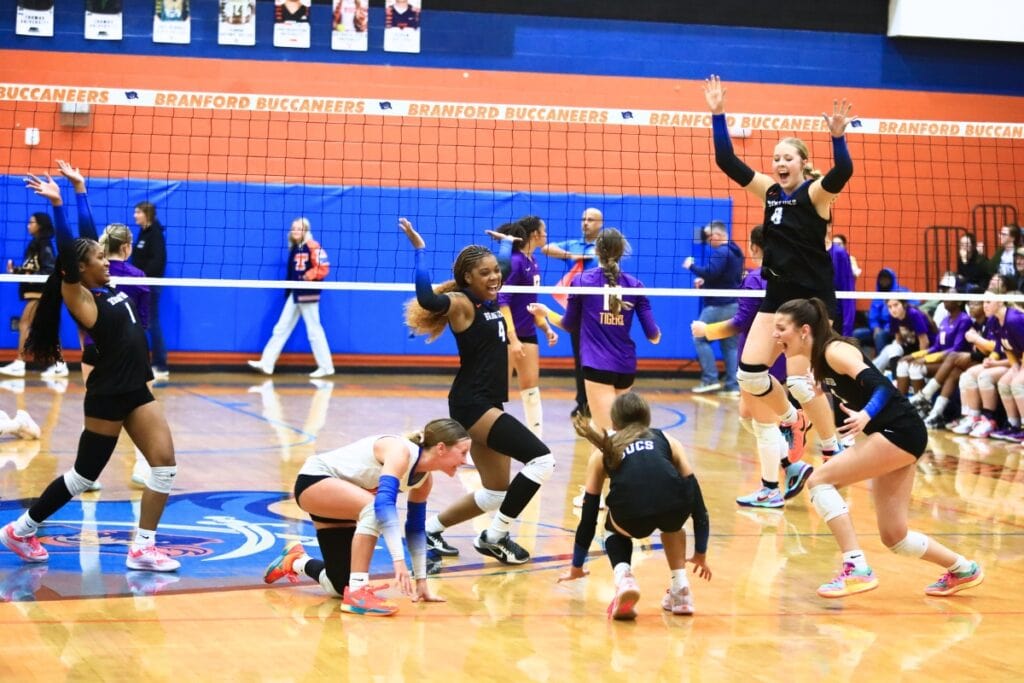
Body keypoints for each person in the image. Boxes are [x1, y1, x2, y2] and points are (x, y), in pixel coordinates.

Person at [1, 171, 179, 573]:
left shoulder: (105, 284)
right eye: (98, 258)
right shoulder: (79, 295)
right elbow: (72, 250)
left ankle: (143, 548)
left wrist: (80, 190)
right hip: (109, 393)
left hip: (136, 387)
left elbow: (85, 242)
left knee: (164, 464)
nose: (106, 259)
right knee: (84, 475)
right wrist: (58, 204)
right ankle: (20, 529)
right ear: (79, 269)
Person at [704, 74, 853, 505]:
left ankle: (831, 448)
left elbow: (843, 171)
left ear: (803, 164)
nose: (778, 163)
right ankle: (791, 420)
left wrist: (837, 138)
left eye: (787, 157)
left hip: (810, 302)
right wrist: (718, 115)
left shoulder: (816, 194)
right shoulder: (769, 193)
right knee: (749, 375)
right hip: (776, 295)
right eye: (775, 158)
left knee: (804, 382)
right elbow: (727, 161)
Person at [775, 297, 983, 598]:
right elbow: (842, 385)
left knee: (819, 481)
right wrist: (821, 387)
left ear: (804, 330)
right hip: (900, 433)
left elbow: (881, 386)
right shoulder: (820, 360)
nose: (774, 335)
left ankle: (856, 567)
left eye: (781, 328)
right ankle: (963, 568)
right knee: (895, 536)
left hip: (898, 431)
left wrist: (866, 414)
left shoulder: (835, 351)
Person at [400, 218, 556, 565]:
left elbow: (499, 267)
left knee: (495, 493)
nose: (495, 277)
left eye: (495, 272)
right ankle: (496, 536)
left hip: (487, 401)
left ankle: (430, 530)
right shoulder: (460, 303)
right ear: (468, 278)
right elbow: (427, 297)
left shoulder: (488, 300)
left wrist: (504, 245)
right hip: (473, 403)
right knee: (542, 460)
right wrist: (420, 251)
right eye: (484, 274)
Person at [263, 419, 471, 616]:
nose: (464, 460)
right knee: (374, 509)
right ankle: (358, 593)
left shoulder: (424, 481)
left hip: (338, 500)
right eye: (463, 453)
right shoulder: (400, 452)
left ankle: (296, 560)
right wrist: (399, 561)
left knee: (339, 585)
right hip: (314, 482)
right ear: (441, 448)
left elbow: (415, 530)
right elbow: (383, 506)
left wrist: (421, 581)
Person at [556, 392, 711, 620]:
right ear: (647, 418)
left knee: (609, 528)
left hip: (632, 517)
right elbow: (697, 501)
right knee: (673, 522)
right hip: (675, 509)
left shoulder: (604, 450)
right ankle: (681, 588)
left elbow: (588, 517)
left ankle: (624, 577)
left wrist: (576, 566)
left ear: (614, 422)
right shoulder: (667, 439)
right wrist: (700, 553)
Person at [691, 226, 811, 502]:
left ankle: (771, 489)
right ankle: (792, 465)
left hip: (757, 361)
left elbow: (739, 323)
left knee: (764, 425)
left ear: (755, 248)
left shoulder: (756, 279)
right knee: (747, 416)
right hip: (781, 357)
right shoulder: (794, 278)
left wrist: (705, 330)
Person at [531, 228, 660, 433]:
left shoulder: (581, 281)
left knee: (605, 433)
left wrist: (547, 312)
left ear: (596, 251)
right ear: (622, 251)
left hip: (597, 364)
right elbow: (653, 336)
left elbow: (569, 325)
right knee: (618, 432)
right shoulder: (635, 285)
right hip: (626, 366)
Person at [248, 218, 334, 378]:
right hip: (296, 293)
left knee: (314, 331)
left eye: (299, 228)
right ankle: (267, 363)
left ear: (306, 230)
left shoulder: (313, 246)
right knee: (281, 327)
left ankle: (327, 367)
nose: (295, 231)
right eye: (293, 228)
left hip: (308, 293)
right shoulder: (295, 248)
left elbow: (323, 268)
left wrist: (307, 277)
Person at [496, 216, 558, 437]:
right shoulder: (516, 262)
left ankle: (537, 441)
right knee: (496, 392)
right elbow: (502, 301)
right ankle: (485, 443)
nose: (546, 235)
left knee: (531, 389)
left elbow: (529, 304)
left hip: (528, 334)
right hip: (507, 336)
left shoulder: (532, 262)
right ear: (534, 235)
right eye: (545, 231)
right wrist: (512, 340)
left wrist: (546, 327)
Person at [541, 207, 603, 418]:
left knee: (599, 358)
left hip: (600, 313)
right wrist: (573, 255)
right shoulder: (574, 244)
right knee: (581, 358)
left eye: (591, 220)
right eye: (583, 219)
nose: (586, 223)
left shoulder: (604, 247)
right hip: (578, 311)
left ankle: (601, 402)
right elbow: (546, 248)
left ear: (600, 224)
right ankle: (583, 402)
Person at [0, 210, 65, 379]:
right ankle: (60, 365)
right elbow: (34, 268)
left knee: (25, 324)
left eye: (32, 222)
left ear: (40, 225)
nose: (28, 225)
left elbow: (48, 269)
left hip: (40, 292)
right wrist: (16, 271)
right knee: (46, 327)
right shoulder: (36, 244)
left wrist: (32, 277)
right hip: (36, 291)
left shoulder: (44, 245)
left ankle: (20, 362)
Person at [912, 298, 994, 428]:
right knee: (953, 373)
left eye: (977, 304)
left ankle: (925, 395)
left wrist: (972, 351)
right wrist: (917, 355)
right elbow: (938, 346)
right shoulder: (974, 324)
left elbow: (992, 350)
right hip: (971, 361)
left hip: (987, 362)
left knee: (953, 357)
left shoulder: (981, 322)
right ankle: (936, 413)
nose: (972, 307)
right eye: (970, 303)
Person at [683, 220, 743, 394]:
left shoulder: (720, 252)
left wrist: (691, 266)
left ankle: (710, 379)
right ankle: (733, 386)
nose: (708, 240)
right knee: (730, 345)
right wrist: (706, 282)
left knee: (699, 338)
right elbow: (724, 276)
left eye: (709, 236)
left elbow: (711, 272)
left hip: (718, 305)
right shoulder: (735, 250)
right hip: (733, 304)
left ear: (718, 235)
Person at [131, 200, 168, 379]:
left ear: (147, 214)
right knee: (140, 323)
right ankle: (140, 363)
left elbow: (158, 261)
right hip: (139, 284)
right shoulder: (143, 233)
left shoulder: (155, 234)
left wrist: (142, 278)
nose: (135, 216)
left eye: (138, 212)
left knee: (152, 323)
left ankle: (160, 366)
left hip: (150, 285)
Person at [873, 299, 936, 374]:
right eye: (889, 307)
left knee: (892, 349)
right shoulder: (893, 316)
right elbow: (898, 339)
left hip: (928, 349)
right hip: (911, 346)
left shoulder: (913, 314)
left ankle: (873, 372)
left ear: (904, 305)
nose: (893, 309)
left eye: (896, 305)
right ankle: (878, 373)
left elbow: (925, 342)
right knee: (892, 348)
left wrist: (918, 359)